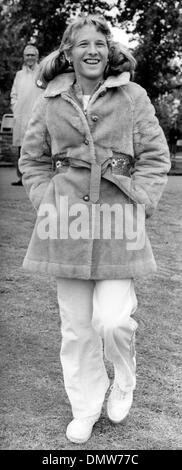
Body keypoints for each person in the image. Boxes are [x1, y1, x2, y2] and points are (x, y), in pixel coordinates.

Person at [19, 15, 170, 444]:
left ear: (109, 51)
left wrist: (142, 201)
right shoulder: (51, 100)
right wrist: (45, 200)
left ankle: (124, 378)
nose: (92, 51)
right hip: (65, 220)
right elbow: (31, 160)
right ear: (67, 53)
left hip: (118, 218)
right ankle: (84, 406)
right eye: (82, 44)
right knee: (76, 326)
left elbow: (156, 156)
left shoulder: (133, 96)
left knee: (113, 319)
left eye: (100, 44)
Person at [10, 44, 41, 185]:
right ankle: (21, 177)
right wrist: (15, 108)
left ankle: (35, 177)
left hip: (37, 116)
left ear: (37, 57)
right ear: (23, 57)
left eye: (32, 55)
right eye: (27, 55)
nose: (30, 57)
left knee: (36, 148)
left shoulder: (42, 73)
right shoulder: (19, 75)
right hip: (21, 116)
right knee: (21, 149)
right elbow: (13, 94)